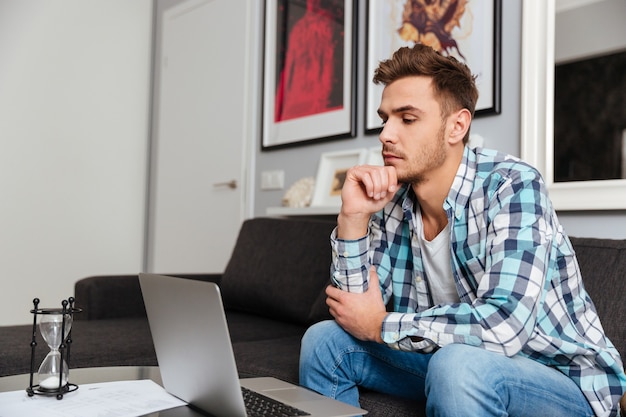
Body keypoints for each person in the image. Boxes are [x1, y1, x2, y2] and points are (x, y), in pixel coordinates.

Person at [298, 44, 626, 417]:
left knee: (458, 365)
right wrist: (353, 219)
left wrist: (383, 325)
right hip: (445, 360)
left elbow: (505, 326)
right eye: (385, 118)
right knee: (324, 341)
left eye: (406, 119)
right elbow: (355, 312)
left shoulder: (512, 186)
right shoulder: (392, 200)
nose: (386, 134)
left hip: (559, 380)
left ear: (457, 126)